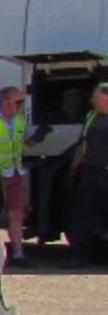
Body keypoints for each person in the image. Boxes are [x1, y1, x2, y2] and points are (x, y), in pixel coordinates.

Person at [0, 86, 45, 264]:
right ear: (6, 101)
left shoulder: (19, 121)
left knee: (16, 215)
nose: (21, 105)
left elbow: (26, 143)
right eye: (18, 102)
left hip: (15, 172)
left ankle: (19, 255)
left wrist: (39, 136)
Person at [67, 82, 108, 262]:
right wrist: (73, 170)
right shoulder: (91, 116)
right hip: (91, 172)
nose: (92, 101)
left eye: (96, 97)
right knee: (84, 216)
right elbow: (82, 144)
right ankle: (80, 256)